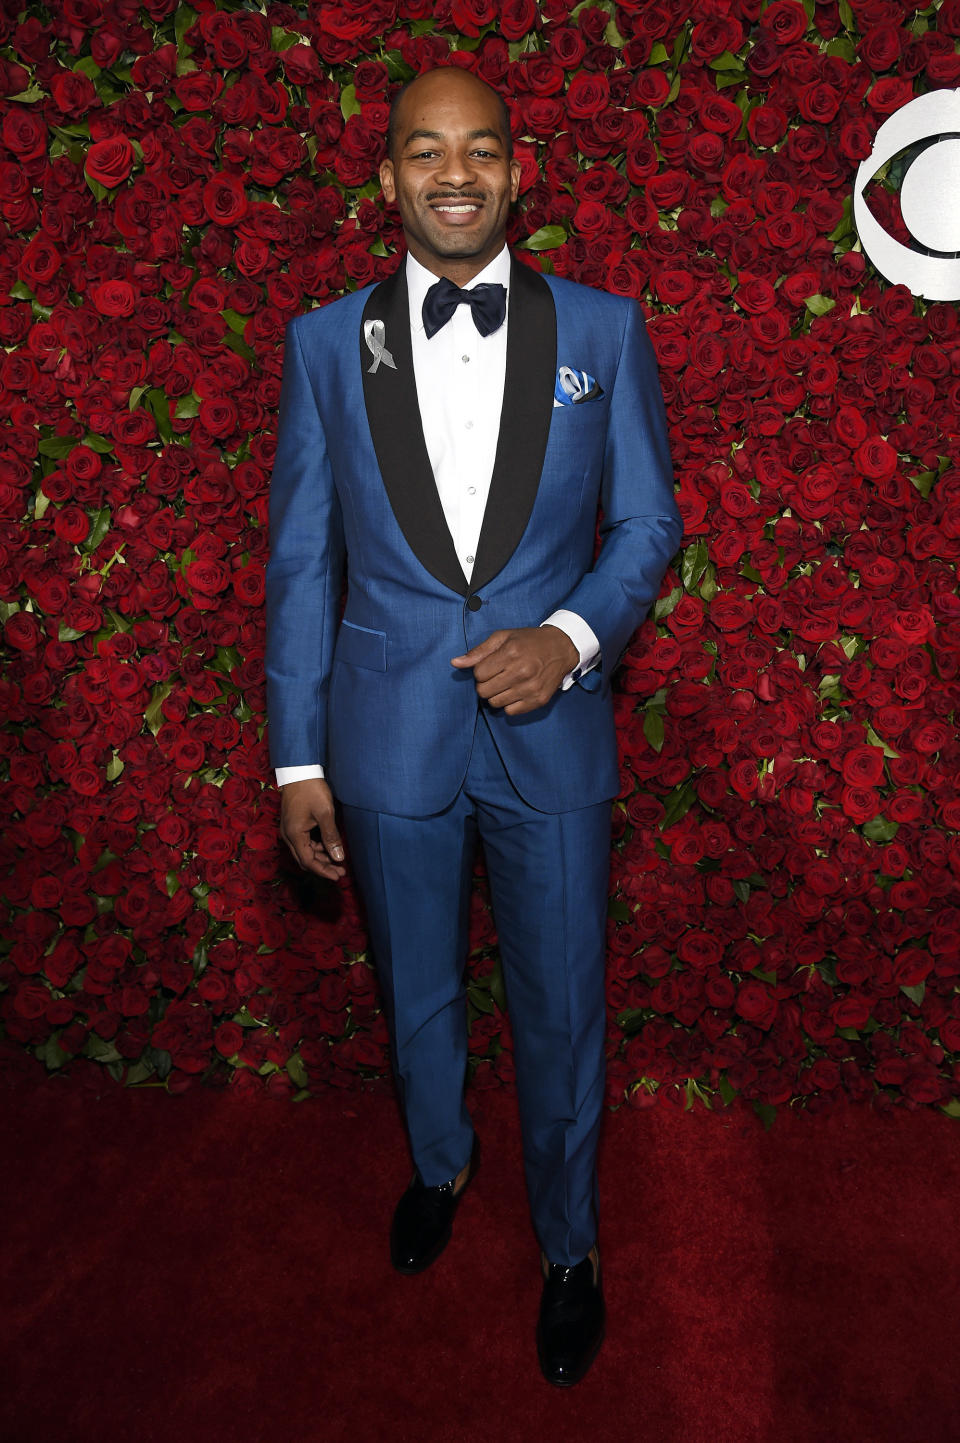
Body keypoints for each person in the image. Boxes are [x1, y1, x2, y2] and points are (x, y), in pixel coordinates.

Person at [266, 66, 681, 1387]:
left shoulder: (607, 333)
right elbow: (301, 561)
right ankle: (440, 1163)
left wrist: (565, 641)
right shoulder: (327, 343)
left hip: (553, 730)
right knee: (418, 991)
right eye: (425, 151)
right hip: (384, 733)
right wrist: (296, 753)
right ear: (386, 179)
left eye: (482, 149)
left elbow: (648, 526)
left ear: (520, 171)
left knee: (563, 1003)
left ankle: (572, 1248)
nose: (456, 173)